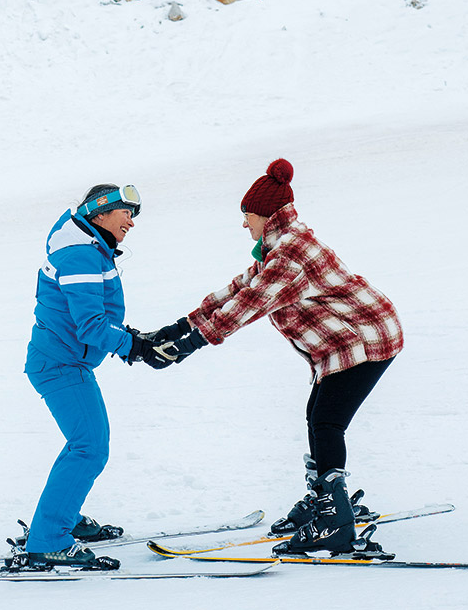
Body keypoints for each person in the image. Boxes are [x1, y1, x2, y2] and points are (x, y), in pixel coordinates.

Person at [147, 158, 403, 557]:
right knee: (318, 417)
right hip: (344, 344)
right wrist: (180, 327)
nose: (244, 224)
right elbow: (238, 288)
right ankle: (327, 501)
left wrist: (193, 343)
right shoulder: (278, 248)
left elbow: (250, 303)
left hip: (365, 339)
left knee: (326, 420)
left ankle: (335, 520)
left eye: (247, 216)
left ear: (266, 216)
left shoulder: (289, 256)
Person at [22, 183, 176, 570]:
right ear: (100, 211)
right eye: (127, 213)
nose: (132, 223)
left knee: (85, 443)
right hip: (60, 365)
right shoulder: (80, 255)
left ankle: (64, 518)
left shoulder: (85, 245)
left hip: (61, 361)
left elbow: (94, 320)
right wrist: (133, 347)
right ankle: (48, 539)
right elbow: (90, 327)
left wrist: (132, 339)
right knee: (89, 446)